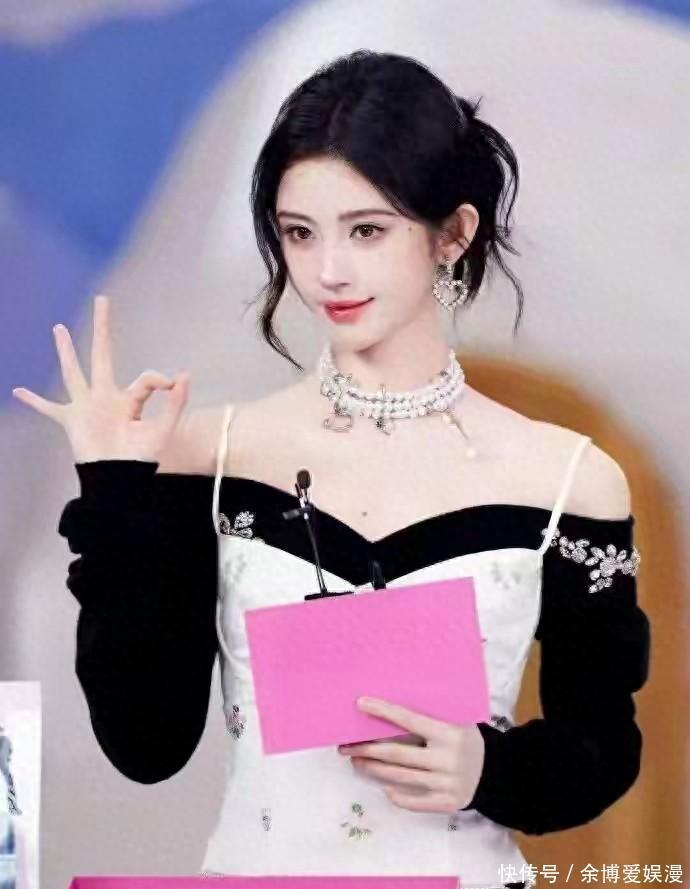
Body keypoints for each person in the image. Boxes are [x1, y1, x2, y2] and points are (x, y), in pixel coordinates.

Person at [12, 50, 650, 888]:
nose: (328, 271)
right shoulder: (212, 454)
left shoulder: (569, 478)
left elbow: (602, 741)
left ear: (453, 233)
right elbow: (145, 744)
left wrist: (487, 768)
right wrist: (115, 488)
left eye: (367, 230)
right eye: (299, 232)